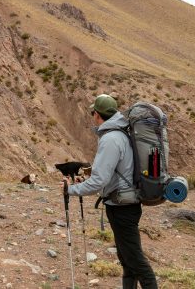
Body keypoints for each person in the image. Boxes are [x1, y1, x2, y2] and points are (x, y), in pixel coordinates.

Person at [63, 94, 158, 289]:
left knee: (136, 262)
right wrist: (87, 179)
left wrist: (70, 189)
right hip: (125, 203)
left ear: (97, 115)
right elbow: (112, 173)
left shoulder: (111, 139)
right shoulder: (121, 133)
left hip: (122, 207)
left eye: (92, 113)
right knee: (127, 260)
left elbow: (99, 182)